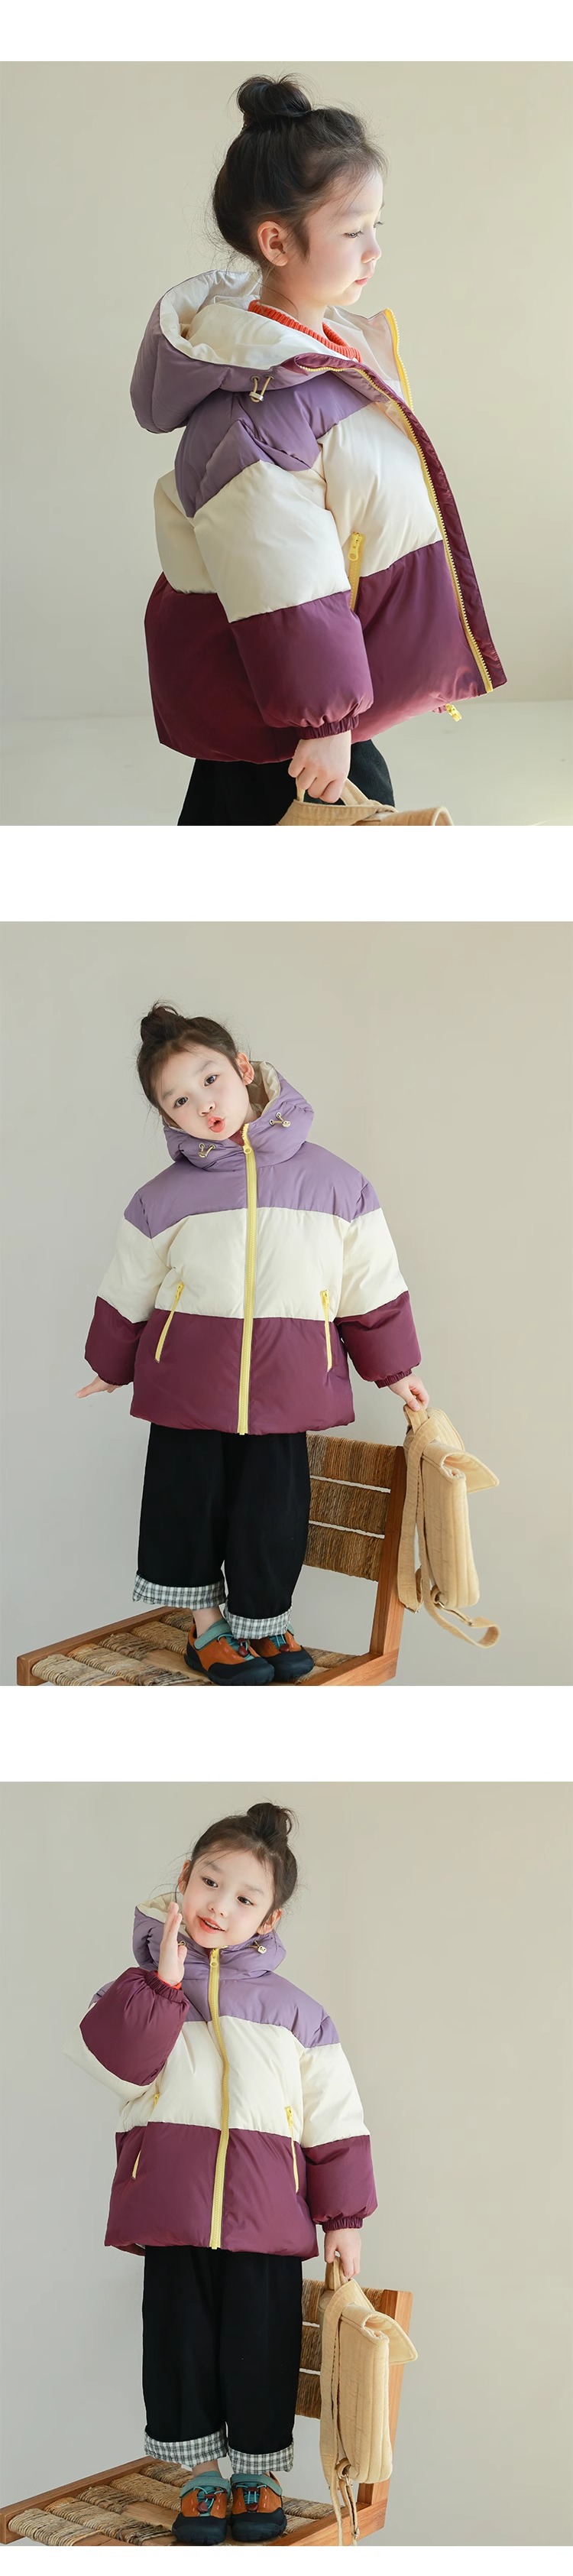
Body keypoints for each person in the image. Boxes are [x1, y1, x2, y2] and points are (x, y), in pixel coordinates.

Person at [130, 73, 506, 827]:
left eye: (377, 225)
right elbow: (283, 577)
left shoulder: (323, 356)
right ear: (277, 240)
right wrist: (327, 717)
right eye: (352, 229)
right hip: (288, 710)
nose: (374, 250)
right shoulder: (260, 409)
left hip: (297, 695)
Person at [77, 1005, 427, 1684]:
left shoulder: (336, 1183)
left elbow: (370, 1284)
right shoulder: (161, 1198)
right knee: (186, 1503)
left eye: (210, 1079)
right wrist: (110, 1365)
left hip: (288, 1385)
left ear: (244, 1069)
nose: (203, 1105)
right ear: (165, 1115)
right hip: (186, 1387)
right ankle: (206, 1627)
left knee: (274, 1511)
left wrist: (395, 1370)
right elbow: (128, 1286)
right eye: (179, 1099)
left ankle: (264, 1623)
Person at [73, 1801, 377, 2542]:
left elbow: (335, 2119)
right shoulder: (140, 1991)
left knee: (262, 2347)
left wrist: (343, 2219)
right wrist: (163, 1984)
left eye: (245, 1897)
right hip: (171, 2210)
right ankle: (201, 2478)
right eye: (210, 1882)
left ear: (269, 1920)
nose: (220, 1905)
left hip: (267, 2219)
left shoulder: (297, 2013)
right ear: (184, 1879)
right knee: (177, 2343)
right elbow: (118, 2066)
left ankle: (258, 2476)